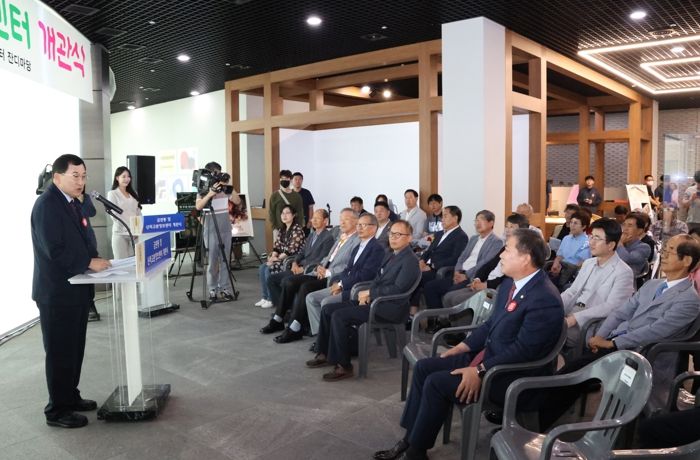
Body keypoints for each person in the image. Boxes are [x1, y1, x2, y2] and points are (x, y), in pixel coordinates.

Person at [374, 229, 564, 460]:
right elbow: (489, 325)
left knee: (436, 383)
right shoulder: (509, 285)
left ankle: (416, 451)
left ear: (525, 258)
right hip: (487, 358)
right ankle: (409, 438)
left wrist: (480, 371)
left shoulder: (544, 298)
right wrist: (462, 347)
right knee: (424, 368)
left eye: (507, 250)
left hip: (510, 375)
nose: (501, 255)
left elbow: (525, 351)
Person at [538, 234, 700, 431]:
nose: (663, 255)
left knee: (575, 372)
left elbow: (655, 331)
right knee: (574, 370)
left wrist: (613, 343)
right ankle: (540, 417)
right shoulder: (653, 285)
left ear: (687, 260)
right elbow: (621, 312)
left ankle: (539, 423)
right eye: (664, 250)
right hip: (618, 343)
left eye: (670, 251)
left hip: (644, 353)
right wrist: (601, 336)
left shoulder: (689, 299)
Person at [31, 154, 111, 428]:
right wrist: (88, 262)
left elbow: (84, 237)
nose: (81, 181)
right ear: (56, 177)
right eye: (74, 176)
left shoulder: (73, 203)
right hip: (57, 293)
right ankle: (57, 410)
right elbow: (53, 250)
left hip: (77, 288)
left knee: (74, 349)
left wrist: (94, 259)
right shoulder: (46, 205)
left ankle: (70, 396)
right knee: (59, 352)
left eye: (84, 176)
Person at [306, 220, 421, 381]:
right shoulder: (391, 254)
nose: (393, 237)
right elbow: (377, 279)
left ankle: (344, 366)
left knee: (339, 316)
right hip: (377, 301)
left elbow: (398, 289)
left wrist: (370, 293)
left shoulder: (410, 260)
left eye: (399, 234)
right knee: (327, 310)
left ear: (409, 238)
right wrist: (366, 294)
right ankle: (324, 352)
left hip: (390, 307)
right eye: (391, 234)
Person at [259, 208, 360, 338]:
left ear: (356, 221)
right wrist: (319, 267)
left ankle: (295, 327)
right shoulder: (341, 236)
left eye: (346, 219)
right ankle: (278, 319)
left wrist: (328, 271)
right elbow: (328, 257)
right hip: (319, 271)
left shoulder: (356, 240)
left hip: (333, 277)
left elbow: (348, 265)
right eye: (341, 219)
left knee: (305, 287)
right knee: (289, 282)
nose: (342, 222)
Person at [292, 213, 386, 344]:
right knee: (311, 298)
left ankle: (325, 340)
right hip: (345, 284)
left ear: (374, 228)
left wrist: (341, 285)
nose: (359, 228)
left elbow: (365, 275)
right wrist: (338, 282)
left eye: (363, 225)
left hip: (356, 290)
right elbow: (347, 269)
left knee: (326, 302)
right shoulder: (359, 246)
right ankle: (322, 337)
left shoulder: (376, 248)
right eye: (359, 225)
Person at [560, 218, 634, 347]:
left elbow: (612, 307)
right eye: (591, 237)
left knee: (549, 333)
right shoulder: (588, 263)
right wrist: (554, 306)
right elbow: (572, 292)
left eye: (597, 238)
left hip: (590, 324)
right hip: (570, 313)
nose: (591, 242)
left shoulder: (623, 272)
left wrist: (575, 318)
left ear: (611, 245)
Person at [422, 210, 503, 310]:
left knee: (450, 293)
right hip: (459, 274)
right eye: (476, 220)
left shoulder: (496, 242)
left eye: (481, 220)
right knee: (430, 287)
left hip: (472, 277)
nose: (477, 223)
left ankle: (447, 317)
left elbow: (484, 263)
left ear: (491, 223)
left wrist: (466, 275)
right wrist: (457, 271)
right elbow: (462, 257)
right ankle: (436, 317)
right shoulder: (474, 238)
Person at [266, 209, 334, 309]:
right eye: (313, 218)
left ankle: (284, 310)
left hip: (310, 270)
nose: (314, 220)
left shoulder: (328, 237)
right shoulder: (312, 235)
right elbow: (301, 252)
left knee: (286, 281)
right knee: (271, 279)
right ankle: (284, 309)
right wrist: (294, 263)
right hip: (298, 267)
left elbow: (321, 259)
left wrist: (303, 268)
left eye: (317, 218)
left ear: (325, 221)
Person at [409, 206, 469, 318]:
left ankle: (434, 318)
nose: (442, 219)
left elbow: (455, 258)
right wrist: (422, 261)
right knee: (411, 274)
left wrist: (432, 266)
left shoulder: (461, 236)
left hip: (442, 271)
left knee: (418, 278)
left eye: (445, 216)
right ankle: (412, 313)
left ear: (455, 218)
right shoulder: (439, 233)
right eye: (442, 216)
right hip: (427, 267)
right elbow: (429, 250)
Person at [195, 161, 242, 301]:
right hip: (211, 229)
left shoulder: (225, 188)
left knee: (225, 260)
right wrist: (210, 194)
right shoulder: (203, 188)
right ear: (209, 174)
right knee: (212, 261)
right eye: (216, 173)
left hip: (225, 228)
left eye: (219, 173)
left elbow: (237, 201)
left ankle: (225, 288)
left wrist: (228, 186)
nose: (218, 176)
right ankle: (212, 289)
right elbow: (198, 207)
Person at [255, 205, 305, 309]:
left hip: (291, 260)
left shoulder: (297, 230)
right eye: (282, 213)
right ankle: (265, 297)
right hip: (280, 259)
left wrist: (275, 260)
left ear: (294, 215)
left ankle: (271, 299)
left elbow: (290, 250)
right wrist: (272, 257)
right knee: (262, 267)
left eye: (287, 213)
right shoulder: (282, 229)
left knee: (269, 268)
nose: (284, 215)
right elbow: (277, 247)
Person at [548, 210, 591, 289]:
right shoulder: (566, 238)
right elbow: (559, 256)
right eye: (571, 222)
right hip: (561, 268)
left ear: (584, 226)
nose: (572, 225)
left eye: (575, 223)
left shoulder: (587, 241)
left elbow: (581, 263)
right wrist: (555, 265)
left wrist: (565, 271)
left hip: (573, 273)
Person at [107, 166, 143, 258]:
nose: (127, 179)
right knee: (121, 262)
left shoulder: (133, 193)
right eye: (124, 176)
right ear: (117, 178)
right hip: (120, 234)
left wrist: (137, 230)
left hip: (134, 234)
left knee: (134, 262)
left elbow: (138, 213)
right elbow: (114, 215)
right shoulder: (112, 194)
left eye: (128, 176)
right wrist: (129, 228)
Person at [77, 187, 100, 322]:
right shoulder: (64, 200)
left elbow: (92, 212)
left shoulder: (85, 197)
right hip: (76, 242)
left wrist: (82, 201)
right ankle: (83, 306)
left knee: (90, 274)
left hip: (89, 240)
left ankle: (91, 304)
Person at [268, 169, 305, 240]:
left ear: (290, 180)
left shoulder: (297, 196)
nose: (284, 180)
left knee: (292, 246)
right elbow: (271, 212)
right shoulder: (275, 196)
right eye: (282, 178)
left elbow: (300, 212)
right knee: (278, 247)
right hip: (278, 229)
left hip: (293, 230)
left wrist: (299, 227)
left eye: (286, 178)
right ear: (279, 180)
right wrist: (274, 227)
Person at [617, 211, 652, 277]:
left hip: (627, 280)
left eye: (630, 225)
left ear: (639, 231)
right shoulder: (618, 244)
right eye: (624, 225)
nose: (625, 229)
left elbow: (625, 259)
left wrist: (619, 242)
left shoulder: (644, 247)